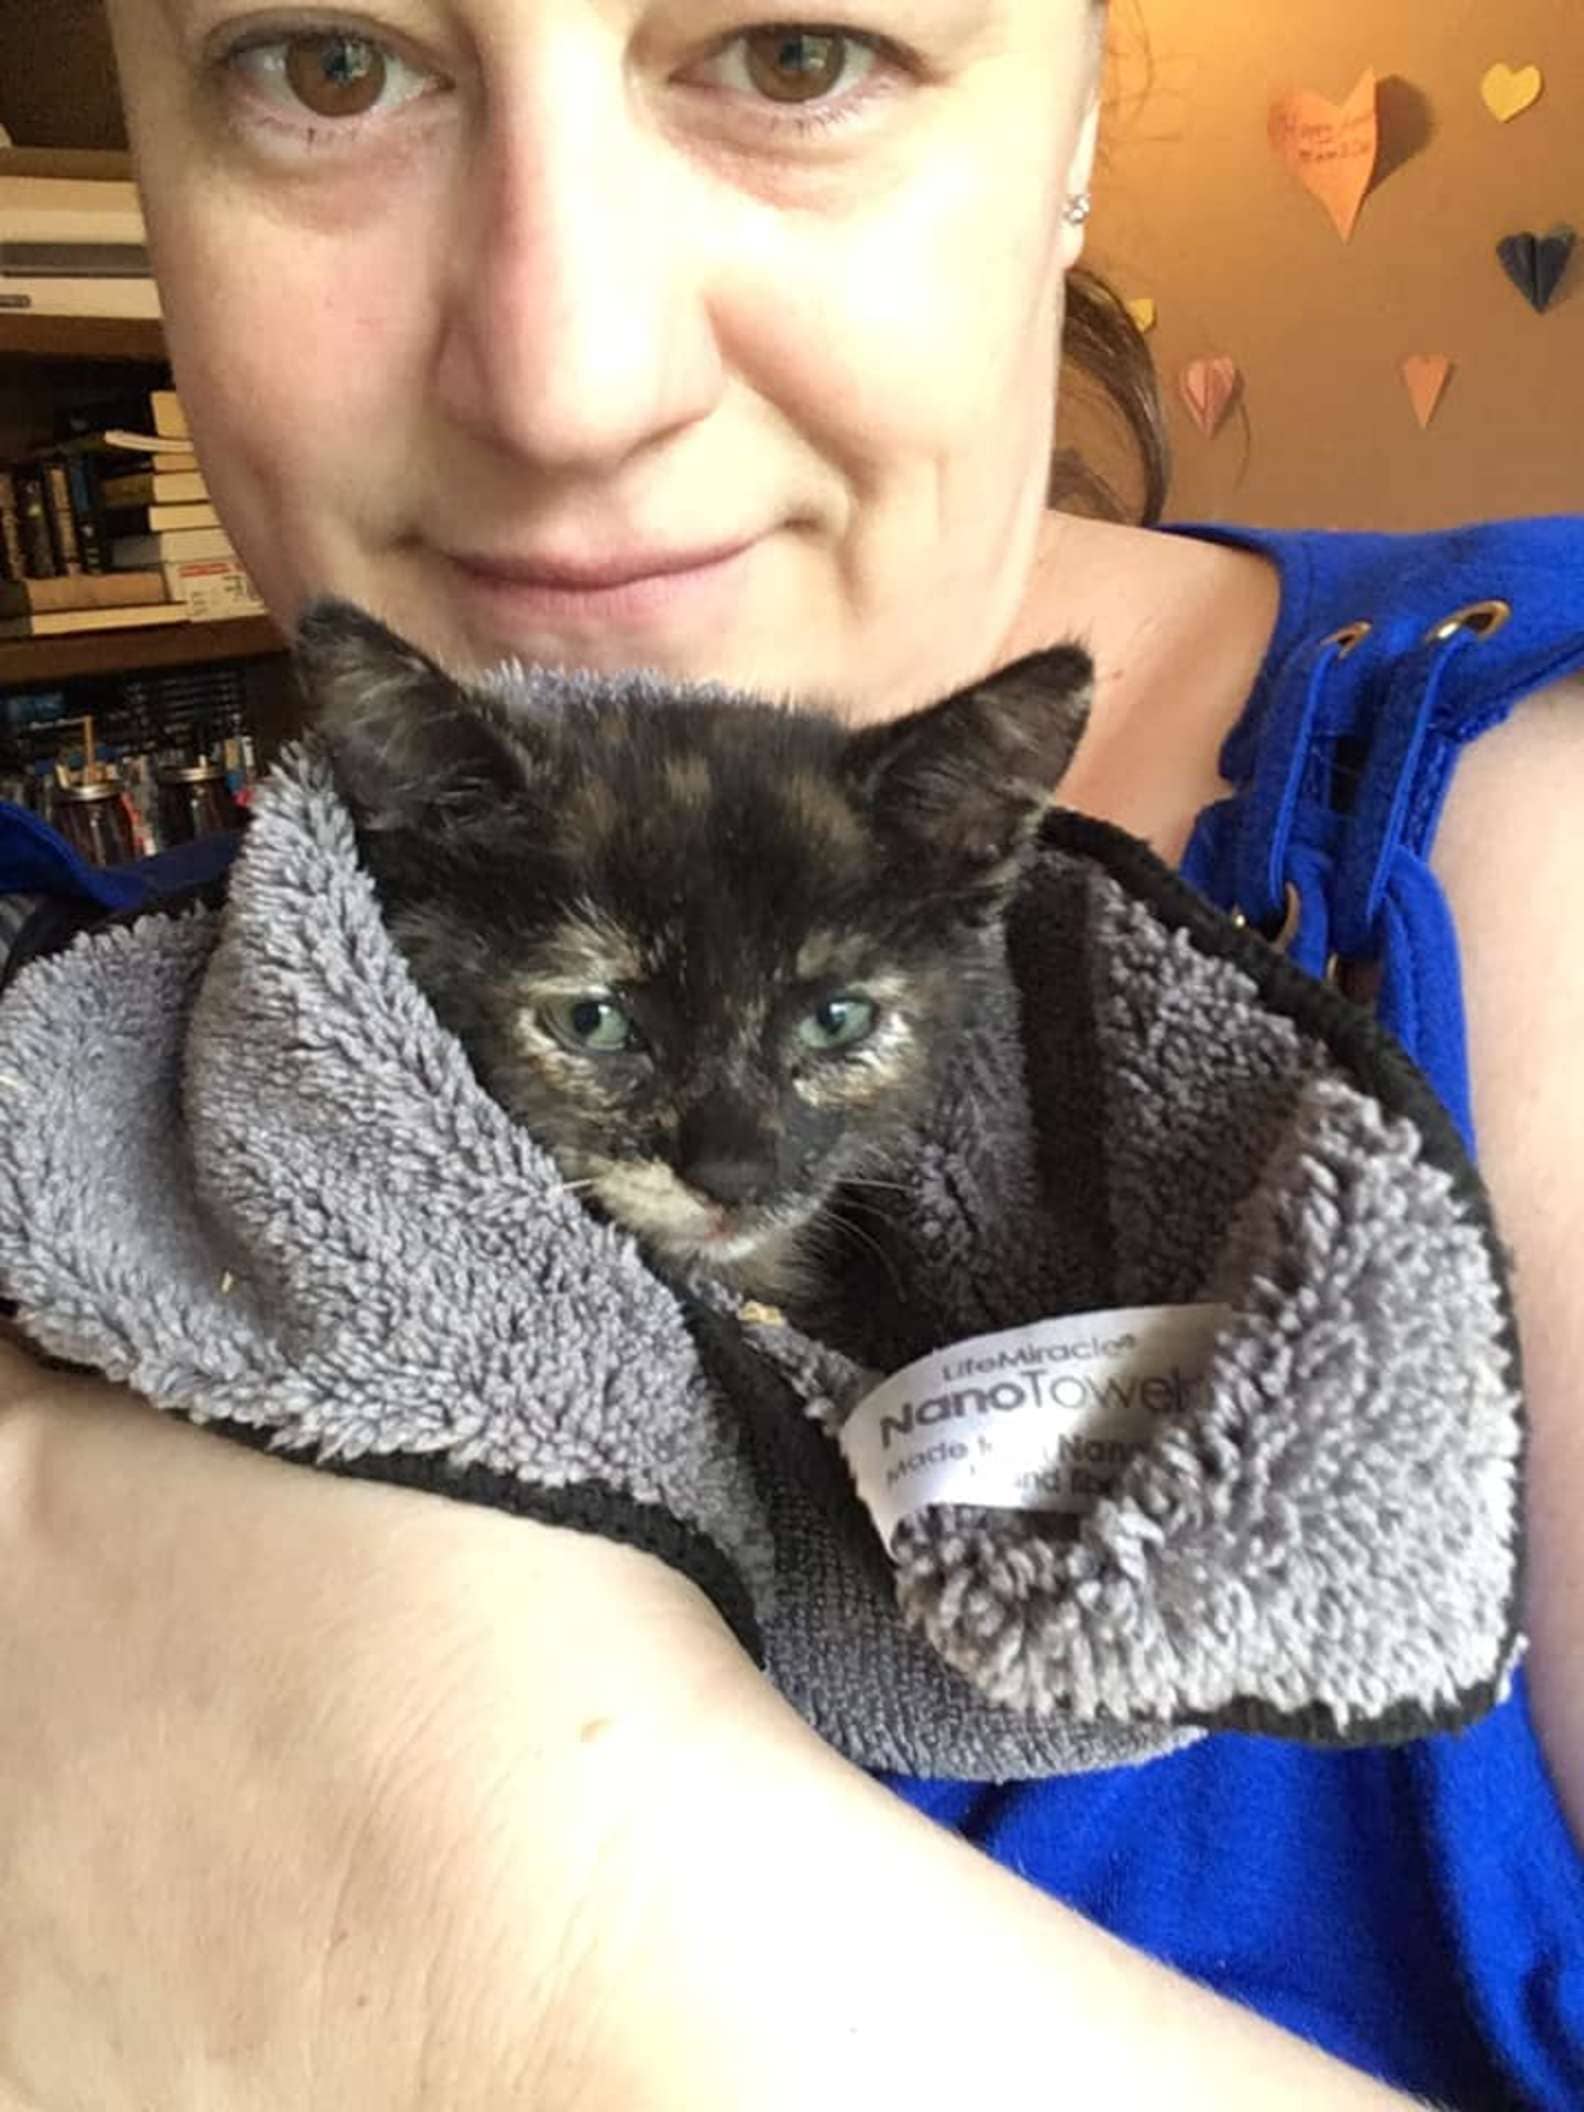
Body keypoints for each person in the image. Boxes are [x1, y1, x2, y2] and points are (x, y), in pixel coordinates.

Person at [0, 3, 1579, 2103]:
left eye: (796, 50)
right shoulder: (80, 1026)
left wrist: (529, 1908)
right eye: (329, 63)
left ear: (1081, 113)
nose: (570, 385)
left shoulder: (1539, 823)